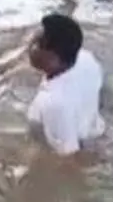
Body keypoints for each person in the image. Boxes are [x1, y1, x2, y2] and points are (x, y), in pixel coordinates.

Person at [27, 13, 104, 156]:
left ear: (52, 58)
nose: (30, 44)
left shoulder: (53, 104)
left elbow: (69, 158)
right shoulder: (86, 59)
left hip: (75, 140)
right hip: (92, 128)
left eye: (38, 43)